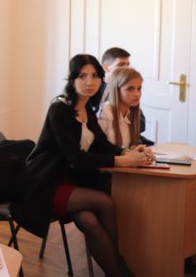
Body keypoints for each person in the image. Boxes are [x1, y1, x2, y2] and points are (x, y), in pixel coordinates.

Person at [9, 54, 153, 277]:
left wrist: (127, 152)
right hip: (45, 183)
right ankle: (120, 266)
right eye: (82, 76)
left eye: (95, 76)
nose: (89, 82)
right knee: (105, 202)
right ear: (72, 79)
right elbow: (75, 158)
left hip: (68, 180)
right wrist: (123, 160)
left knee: (88, 219)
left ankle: (115, 270)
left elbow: (101, 144)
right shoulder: (59, 109)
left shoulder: (87, 108)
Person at [100, 47, 153, 145]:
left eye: (127, 64)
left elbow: (141, 124)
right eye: (121, 65)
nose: (126, 69)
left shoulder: (130, 96)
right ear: (106, 68)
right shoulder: (97, 93)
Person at [98, 67, 146, 149]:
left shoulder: (131, 112)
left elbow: (126, 147)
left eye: (139, 88)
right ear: (116, 90)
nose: (137, 94)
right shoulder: (105, 112)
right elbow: (98, 149)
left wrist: (137, 150)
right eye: (130, 89)